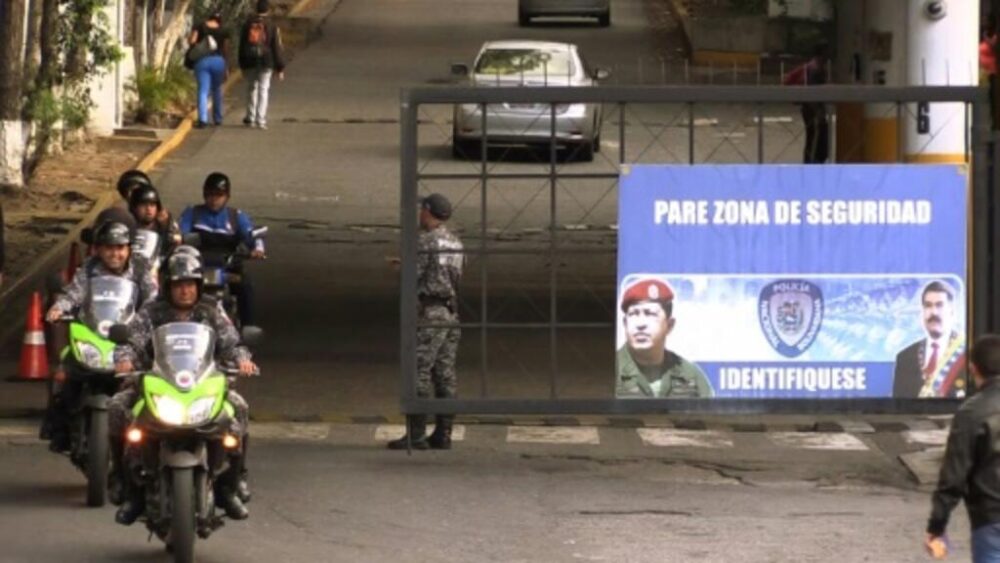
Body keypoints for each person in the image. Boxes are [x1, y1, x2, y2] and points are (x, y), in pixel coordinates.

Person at [110, 252, 257, 524]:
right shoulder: (152, 311)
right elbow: (130, 342)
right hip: (156, 383)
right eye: (179, 284)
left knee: (239, 408)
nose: (185, 290)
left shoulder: (211, 309)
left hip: (204, 385)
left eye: (190, 284)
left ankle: (231, 484)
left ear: (199, 285)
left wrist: (243, 360)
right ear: (167, 286)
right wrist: (125, 359)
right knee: (118, 406)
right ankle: (127, 486)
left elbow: (232, 343)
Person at [40, 221, 158, 452]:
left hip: (127, 338)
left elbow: (153, 300)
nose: (115, 253)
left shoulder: (140, 269)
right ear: (99, 249)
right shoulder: (89, 269)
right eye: (109, 248)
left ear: (129, 249)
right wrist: (59, 308)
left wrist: (149, 322)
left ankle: (149, 438)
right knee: (64, 375)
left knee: (148, 381)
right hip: (93, 335)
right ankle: (60, 430)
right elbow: (73, 293)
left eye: (120, 248)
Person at [388, 193, 464, 450]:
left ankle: (416, 433)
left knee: (418, 371)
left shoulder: (425, 241)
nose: (419, 213)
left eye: (422, 209)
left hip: (430, 312)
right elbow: (454, 276)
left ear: (428, 212)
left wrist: (402, 268)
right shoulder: (455, 242)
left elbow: (414, 276)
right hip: (451, 313)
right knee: (445, 375)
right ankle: (444, 433)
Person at [924, 334, 1000, 562]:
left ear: (972, 368)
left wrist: (937, 525)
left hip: (991, 519)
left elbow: (953, 477)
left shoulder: (972, 412)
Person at [178, 172, 265, 327]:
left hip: (228, 269)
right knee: (175, 287)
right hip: (197, 269)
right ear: (204, 194)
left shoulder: (236, 217)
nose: (214, 199)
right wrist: (179, 241)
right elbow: (180, 234)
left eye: (219, 195)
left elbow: (253, 236)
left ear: (227, 196)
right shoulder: (192, 213)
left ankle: (248, 327)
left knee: (245, 285)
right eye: (210, 194)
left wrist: (257, 249)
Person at [616, 278, 713, 398]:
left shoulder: (689, 376)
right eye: (634, 314)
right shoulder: (611, 371)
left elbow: (712, 416)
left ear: (669, 325)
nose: (640, 324)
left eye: (650, 314)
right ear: (625, 323)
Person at [893, 280, 967, 398]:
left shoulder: (968, 353)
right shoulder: (904, 357)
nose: (933, 312)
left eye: (939, 305)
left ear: (951, 310)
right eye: (928, 305)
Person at [239, 0, 286, 130]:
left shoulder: (247, 24)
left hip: (250, 60)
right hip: (266, 61)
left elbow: (242, 46)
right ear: (268, 10)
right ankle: (261, 119)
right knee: (264, 89)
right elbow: (276, 47)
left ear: (256, 9)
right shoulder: (272, 26)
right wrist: (280, 67)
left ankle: (250, 117)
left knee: (251, 88)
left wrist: (242, 64)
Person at [783, 44, 830, 164]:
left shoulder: (813, 67)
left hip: (811, 109)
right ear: (821, 54)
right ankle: (812, 164)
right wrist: (818, 112)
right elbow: (812, 92)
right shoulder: (815, 69)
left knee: (813, 138)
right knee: (815, 138)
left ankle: (812, 162)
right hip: (813, 111)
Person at [189, 12, 229, 128]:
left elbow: (192, 41)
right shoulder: (223, 30)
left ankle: (203, 120)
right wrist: (226, 66)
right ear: (219, 20)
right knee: (216, 89)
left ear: (209, 18)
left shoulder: (200, 26)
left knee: (203, 90)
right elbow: (226, 49)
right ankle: (217, 118)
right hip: (218, 61)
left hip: (202, 61)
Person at [128, 184, 181, 262]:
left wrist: (172, 236)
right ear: (134, 208)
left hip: (160, 265)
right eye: (143, 205)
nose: (148, 209)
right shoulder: (127, 225)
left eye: (152, 205)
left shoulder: (166, 223)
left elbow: (178, 240)